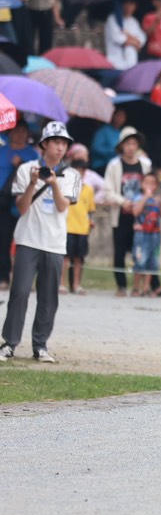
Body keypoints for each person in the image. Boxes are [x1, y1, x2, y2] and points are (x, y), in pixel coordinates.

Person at [1, 122, 80, 362]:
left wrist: (55, 183)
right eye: (55, 142)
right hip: (28, 239)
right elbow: (22, 208)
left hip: (55, 243)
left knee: (48, 296)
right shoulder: (26, 169)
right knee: (20, 292)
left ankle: (41, 345)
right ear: (44, 144)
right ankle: (9, 343)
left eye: (64, 143)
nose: (60, 148)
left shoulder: (72, 175)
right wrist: (34, 183)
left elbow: (62, 206)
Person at [101, 127, 152, 296]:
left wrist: (141, 202)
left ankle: (142, 286)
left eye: (134, 143)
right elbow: (108, 190)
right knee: (120, 251)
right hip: (121, 214)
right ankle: (121, 285)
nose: (131, 147)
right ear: (122, 145)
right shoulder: (114, 165)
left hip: (141, 215)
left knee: (141, 249)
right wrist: (123, 202)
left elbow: (150, 185)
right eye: (128, 143)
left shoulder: (145, 164)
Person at [0, 121, 39, 288]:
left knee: (26, 241)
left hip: (24, 199)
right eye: (16, 130)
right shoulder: (2, 150)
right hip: (3, 201)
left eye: (23, 131)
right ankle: (3, 277)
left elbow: (37, 176)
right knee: (3, 240)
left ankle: (24, 279)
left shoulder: (33, 154)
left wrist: (20, 164)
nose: (20, 134)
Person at [63, 146, 94, 295]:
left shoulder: (88, 189)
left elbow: (91, 210)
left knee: (79, 259)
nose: (80, 173)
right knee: (65, 258)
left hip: (82, 228)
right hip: (67, 227)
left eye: (82, 171)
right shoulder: (64, 186)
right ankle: (61, 284)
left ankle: (76, 285)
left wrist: (90, 222)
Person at [131, 172, 161, 296]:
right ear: (142, 184)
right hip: (141, 234)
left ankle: (146, 287)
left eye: (153, 183)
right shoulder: (137, 198)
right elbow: (135, 212)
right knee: (140, 260)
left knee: (152, 261)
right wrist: (145, 197)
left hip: (155, 234)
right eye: (147, 183)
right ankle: (136, 287)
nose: (149, 185)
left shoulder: (157, 199)